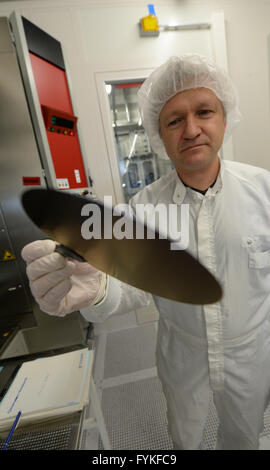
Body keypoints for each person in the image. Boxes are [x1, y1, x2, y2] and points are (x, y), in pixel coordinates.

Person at [21, 54, 270, 450]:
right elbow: (130, 289)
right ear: (160, 134)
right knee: (184, 436)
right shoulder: (142, 210)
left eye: (204, 111)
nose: (191, 129)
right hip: (182, 354)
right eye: (174, 120)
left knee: (244, 437)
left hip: (252, 353)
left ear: (225, 118)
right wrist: (98, 291)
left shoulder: (264, 192)